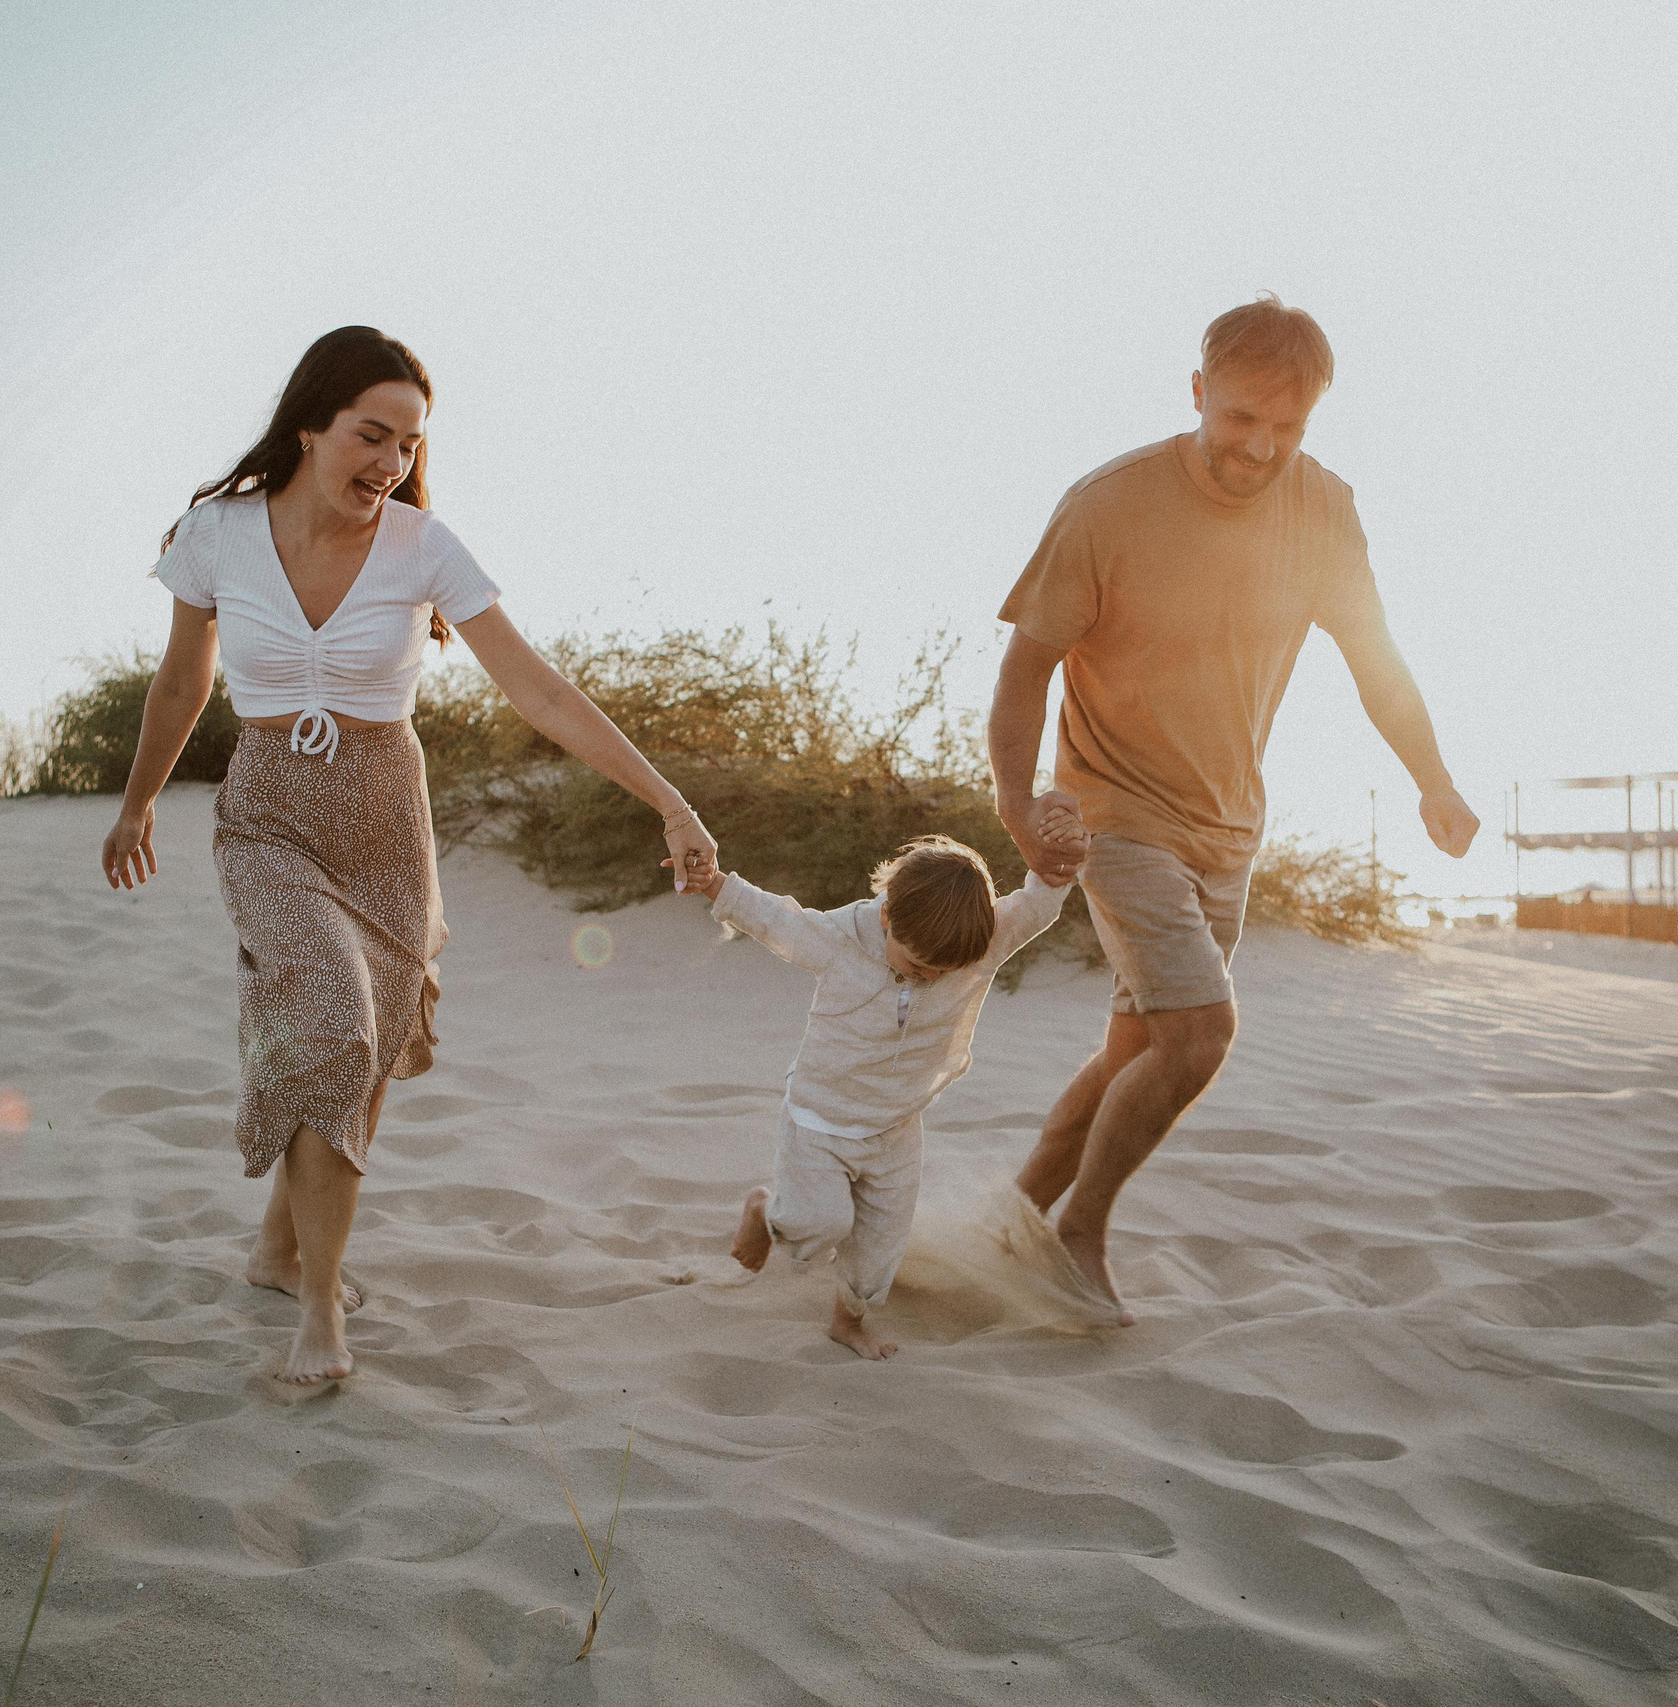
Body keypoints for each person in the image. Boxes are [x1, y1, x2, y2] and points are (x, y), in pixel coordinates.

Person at [99, 325, 720, 1388]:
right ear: (310, 426)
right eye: (369, 436)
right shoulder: (215, 536)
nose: (389, 464)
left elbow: (542, 691)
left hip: (387, 816)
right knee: (330, 1016)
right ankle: (322, 1317)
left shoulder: (424, 548)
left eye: (408, 444)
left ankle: (278, 1250)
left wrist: (670, 800)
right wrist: (137, 803)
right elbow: (178, 685)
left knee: (364, 1045)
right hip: (270, 814)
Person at [988, 294, 1478, 1324]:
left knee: (1137, 1048)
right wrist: (1018, 799)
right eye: (1241, 418)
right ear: (1199, 391)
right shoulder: (1108, 504)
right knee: (1199, 1033)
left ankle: (1005, 1218)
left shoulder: (1324, 509)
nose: (1260, 448)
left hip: (1228, 829)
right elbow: (1028, 665)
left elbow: (1373, 662)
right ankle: (1077, 1233)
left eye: (1287, 428)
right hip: (1111, 811)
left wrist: (1434, 779)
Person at [678, 833, 1075, 1358]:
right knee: (818, 1224)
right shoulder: (841, 940)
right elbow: (778, 919)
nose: (931, 977)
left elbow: (1036, 907)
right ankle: (766, 1212)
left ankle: (848, 1323)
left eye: (943, 972)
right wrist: (715, 885)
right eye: (918, 966)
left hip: (895, 1130)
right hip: (819, 1119)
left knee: (880, 1246)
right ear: (888, 918)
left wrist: (1061, 861)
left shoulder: (978, 943)